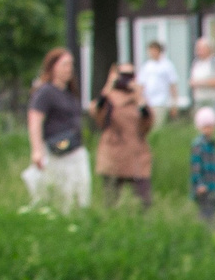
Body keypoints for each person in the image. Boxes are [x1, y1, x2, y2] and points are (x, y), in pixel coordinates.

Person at [25, 48, 91, 211]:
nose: (69, 68)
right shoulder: (45, 92)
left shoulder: (69, 93)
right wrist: (36, 150)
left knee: (82, 186)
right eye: (65, 64)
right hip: (58, 148)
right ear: (53, 67)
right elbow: (35, 121)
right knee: (63, 191)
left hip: (75, 147)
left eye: (71, 64)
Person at [94, 64, 156, 208]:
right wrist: (108, 88)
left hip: (136, 153)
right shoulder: (109, 97)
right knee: (110, 199)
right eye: (123, 75)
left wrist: (139, 99)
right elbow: (98, 114)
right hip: (114, 152)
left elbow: (147, 123)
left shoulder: (138, 97)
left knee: (144, 200)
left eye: (130, 75)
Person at [188, 106, 215, 225]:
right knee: (204, 212)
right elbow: (195, 167)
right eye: (205, 127)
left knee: (212, 212)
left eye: (210, 126)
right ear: (200, 127)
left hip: (213, 185)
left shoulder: (214, 145)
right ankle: (203, 233)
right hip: (203, 186)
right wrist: (199, 184)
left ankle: (211, 234)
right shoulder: (198, 145)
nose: (208, 130)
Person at [137, 39, 183, 118]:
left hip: (161, 102)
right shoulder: (146, 66)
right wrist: (139, 99)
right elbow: (141, 85)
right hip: (147, 103)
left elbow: (173, 85)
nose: (151, 53)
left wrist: (174, 104)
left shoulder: (167, 65)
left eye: (154, 50)